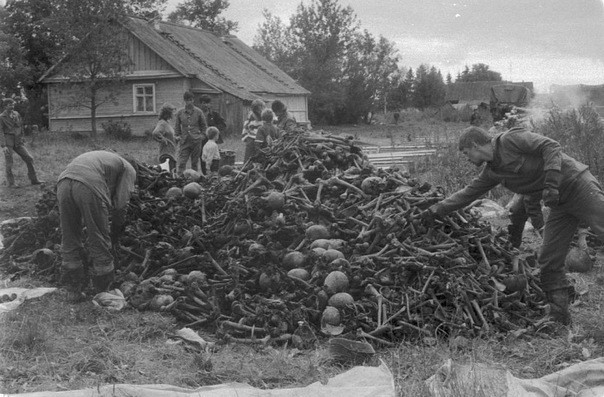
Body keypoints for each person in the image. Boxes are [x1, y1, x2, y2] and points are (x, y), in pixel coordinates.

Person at [423, 126, 604, 326]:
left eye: (466, 153)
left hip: (577, 185)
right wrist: (436, 210)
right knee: (548, 258)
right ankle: (559, 316)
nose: (467, 158)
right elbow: (468, 193)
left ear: (475, 145)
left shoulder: (510, 140)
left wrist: (551, 182)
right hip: (559, 204)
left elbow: (550, 146)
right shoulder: (492, 172)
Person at [57, 150, 137, 296]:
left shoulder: (104, 159)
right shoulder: (129, 169)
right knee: (98, 236)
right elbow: (120, 204)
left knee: (69, 233)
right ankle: (102, 288)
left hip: (63, 182)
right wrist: (116, 231)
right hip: (88, 185)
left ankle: (73, 286)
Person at [0, 98, 43, 187]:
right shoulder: (1, 117)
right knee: (9, 162)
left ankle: (34, 180)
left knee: (29, 158)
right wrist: (3, 146)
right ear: (5, 106)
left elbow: (20, 126)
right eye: (9, 105)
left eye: (12, 104)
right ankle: (11, 183)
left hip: (18, 141)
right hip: (8, 141)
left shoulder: (16, 114)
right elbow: (0, 132)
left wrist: (22, 137)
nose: (12, 106)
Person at [174, 91, 207, 175]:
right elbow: (177, 126)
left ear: (193, 100)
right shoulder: (180, 112)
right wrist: (177, 136)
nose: (189, 102)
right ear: (184, 100)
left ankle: (194, 180)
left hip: (196, 140)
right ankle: (180, 178)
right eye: (187, 100)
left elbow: (204, 126)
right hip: (184, 141)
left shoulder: (198, 112)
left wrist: (202, 136)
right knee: (181, 162)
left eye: (191, 100)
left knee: (194, 163)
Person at [152, 102, 177, 173]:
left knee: (172, 174)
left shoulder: (167, 123)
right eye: (172, 112)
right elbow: (155, 133)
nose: (173, 114)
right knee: (168, 176)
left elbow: (169, 136)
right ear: (168, 113)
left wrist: (176, 138)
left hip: (171, 153)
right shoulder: (162, 123)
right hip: (166, 154)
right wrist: (163, 139)